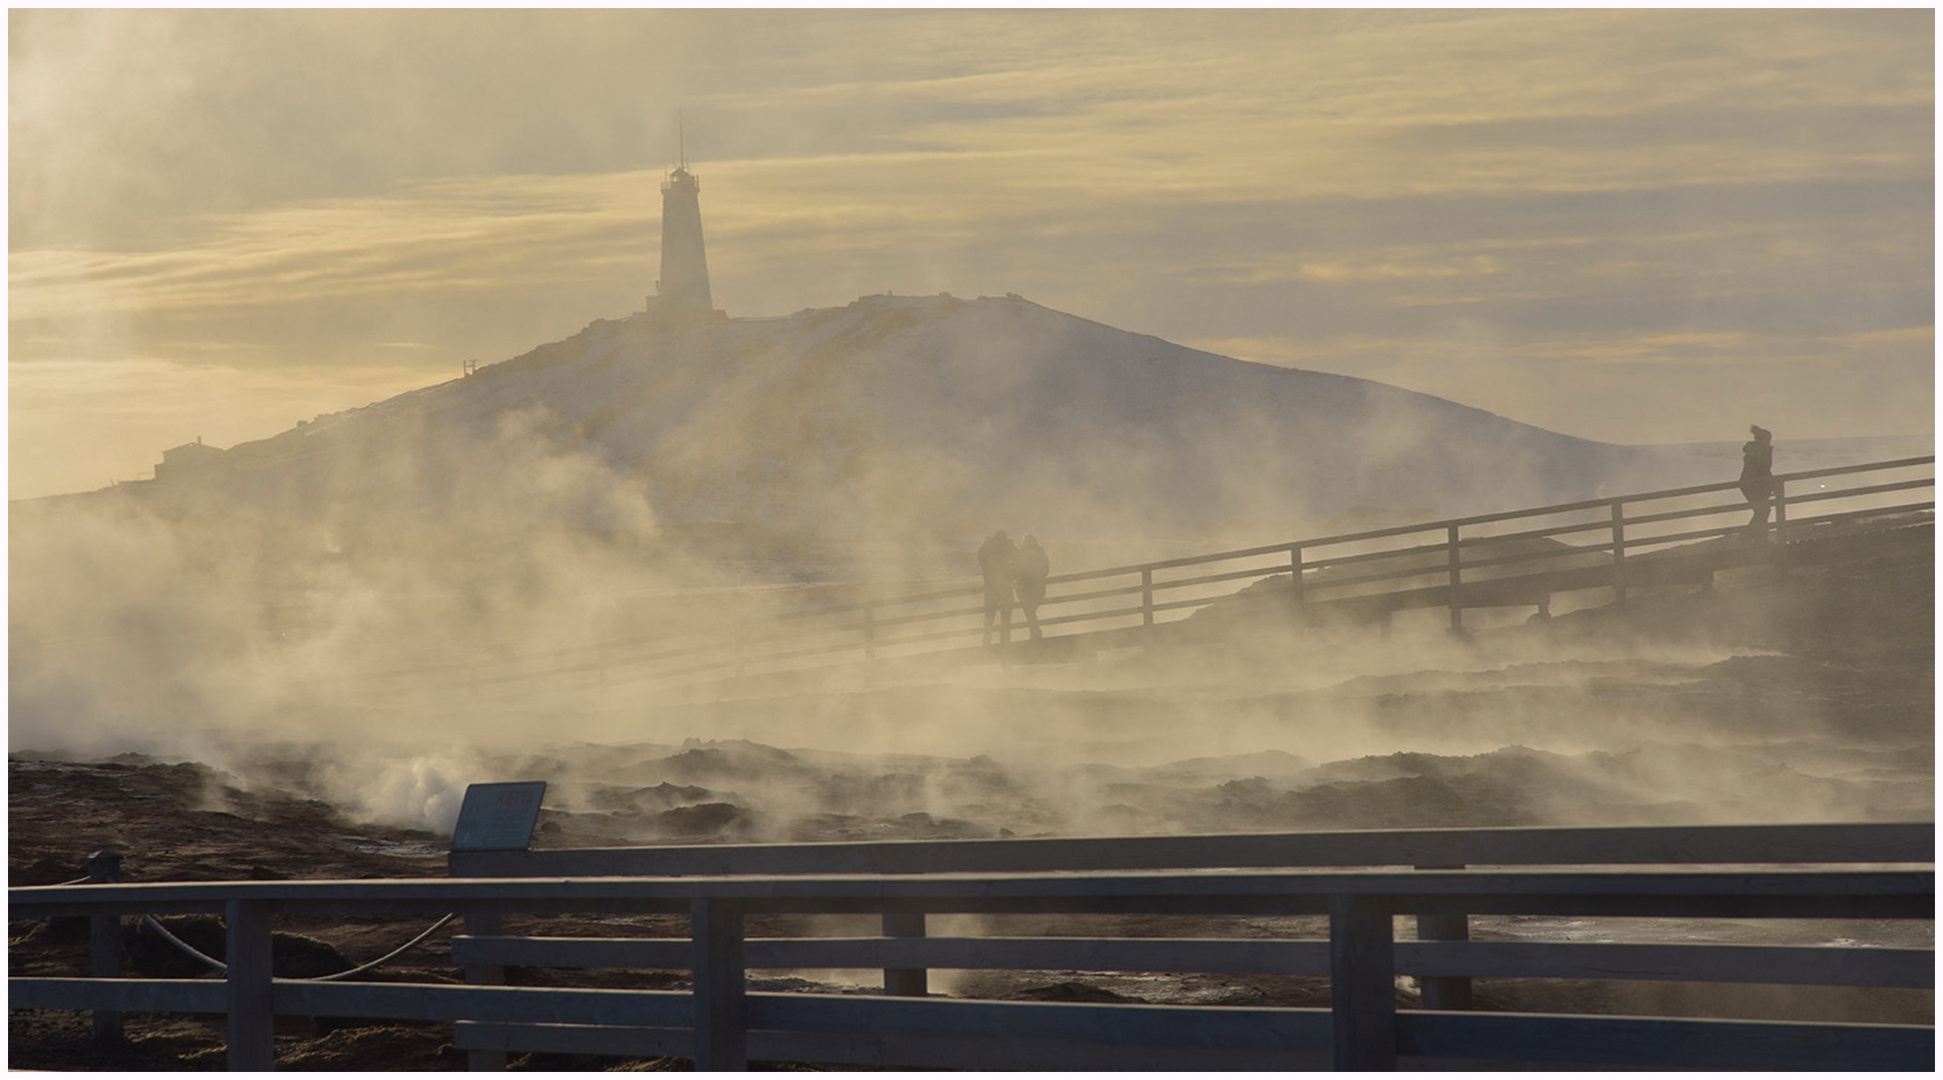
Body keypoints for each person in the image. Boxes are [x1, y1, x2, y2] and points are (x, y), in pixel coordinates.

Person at [977, 531, 1018, 646]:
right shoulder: (1008, 546)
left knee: (989, 617)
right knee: (1006, 617)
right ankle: (1005, 643)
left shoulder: (987, 547)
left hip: (991, 588)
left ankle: (986, 643)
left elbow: (981, 561)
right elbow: (1020, 560)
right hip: (1005, 588)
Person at [1739, 424, 1776, 541]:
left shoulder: (1755, 450)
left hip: (1753, 485)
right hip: (1754, 485)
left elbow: (1763, 470)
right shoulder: (1759, 451)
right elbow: (1762, 470)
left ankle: (1758, 537)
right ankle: (1750, 536)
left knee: (1762, 510)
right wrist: (1771, 484)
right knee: (1763, 510)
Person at [1012, 535, 1051, 641]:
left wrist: (1022, 576)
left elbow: (1015, 570)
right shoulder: (1040, 554)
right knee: (1030, 610)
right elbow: (1045, 570)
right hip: (1037, 586)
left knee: (1029, 610)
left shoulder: (1021, 554)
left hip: (1025, 587)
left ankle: (1035, 633)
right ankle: (1035, 632)